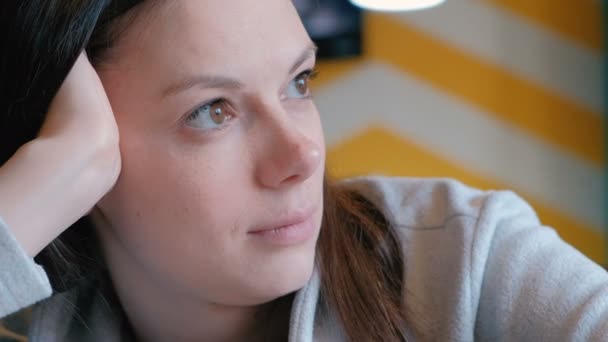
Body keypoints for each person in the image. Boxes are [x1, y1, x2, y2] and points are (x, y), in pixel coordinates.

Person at [1, 1, 607, 341]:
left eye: (299, 82)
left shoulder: (467, 256)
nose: (304, 156)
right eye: (213, 111)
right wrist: (50, 175)